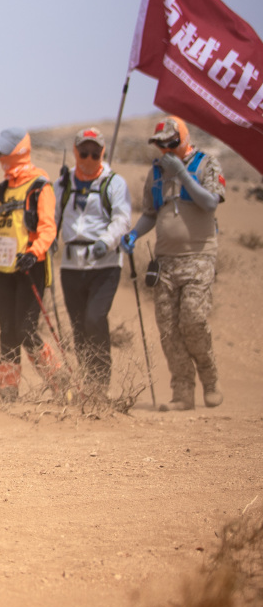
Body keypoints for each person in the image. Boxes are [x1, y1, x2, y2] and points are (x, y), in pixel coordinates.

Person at [122, 116, 226, 411]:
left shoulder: (206, 164)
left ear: (183, 138)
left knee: (193, 320)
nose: (166, 149)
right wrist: (133, 233)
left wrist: (182, 173)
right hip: (165, 260)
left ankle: (210, 378)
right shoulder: (155, 173)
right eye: (161, 144)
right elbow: (150, 214)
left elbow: (209, 203)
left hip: (199, 256)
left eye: (172, 142)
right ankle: (182, 393)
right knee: (168, 329)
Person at [0, 128, 61, 401]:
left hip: (30, 268)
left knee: (25, 330)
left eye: (3, 151)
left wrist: (34, 253)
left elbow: (49, 228)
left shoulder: (40, 186)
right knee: (7, 332)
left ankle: (59, 380)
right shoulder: (4, 188)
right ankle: (8, 392)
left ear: (17, 151)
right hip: (3, 271)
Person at [54, 127, 132, 398]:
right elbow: (53, 217)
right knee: (78, 325)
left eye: (94, 153)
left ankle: (100, 382)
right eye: (83, 152)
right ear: (75, 152)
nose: (88, 158)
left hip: (105, 264)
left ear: (102, 153)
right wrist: (49, 238)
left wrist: (106, 242)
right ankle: (87, 381)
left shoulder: (114, 183)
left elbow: (122, 219)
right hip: (71, 265)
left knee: (94, 319)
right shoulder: (63, 184)